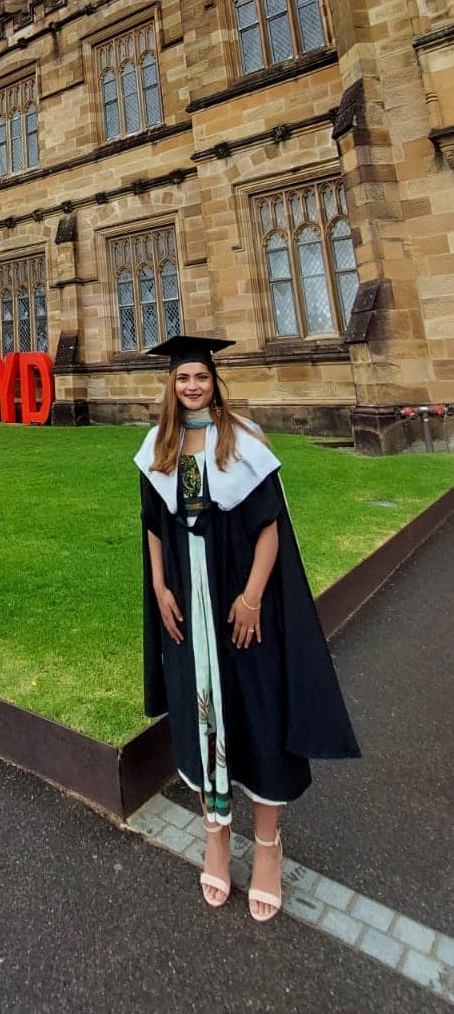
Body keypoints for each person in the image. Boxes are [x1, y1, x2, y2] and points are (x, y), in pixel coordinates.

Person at [134, 336, 359, 922]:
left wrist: (254, 597)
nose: (191, 386)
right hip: (188, 602)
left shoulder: (244, 440)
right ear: (171, 384)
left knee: (256, 712)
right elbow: (156, 524)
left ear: (214, 382)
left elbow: (269, 527)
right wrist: (158, 587)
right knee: (203, 716)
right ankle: (215, 835)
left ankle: (265, 846)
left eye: (200, 378)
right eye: (182, 378)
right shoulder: (162, 445)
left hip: (238, 603)